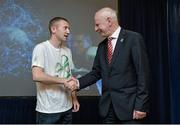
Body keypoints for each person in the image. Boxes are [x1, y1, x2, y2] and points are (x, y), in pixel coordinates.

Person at [67, 7, 150, 124]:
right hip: (107, 109)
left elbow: (143, 74)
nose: (95, 29)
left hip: (130, 109)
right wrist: (77, 83)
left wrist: (141, 105)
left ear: (109, 21)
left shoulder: (133, 39)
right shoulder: (101, 46)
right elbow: (96, 73)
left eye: (97, 25)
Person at [31, 17, 80, 124]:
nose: (69, 31)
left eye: (69, 28)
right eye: (65, 28)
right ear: (54, 29)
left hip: (67, 108)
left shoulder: (67, 51)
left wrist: (74, 98)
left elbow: (69, 76)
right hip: (48, 110)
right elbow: (37, 76)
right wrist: (63, 80)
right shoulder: (41, 48)